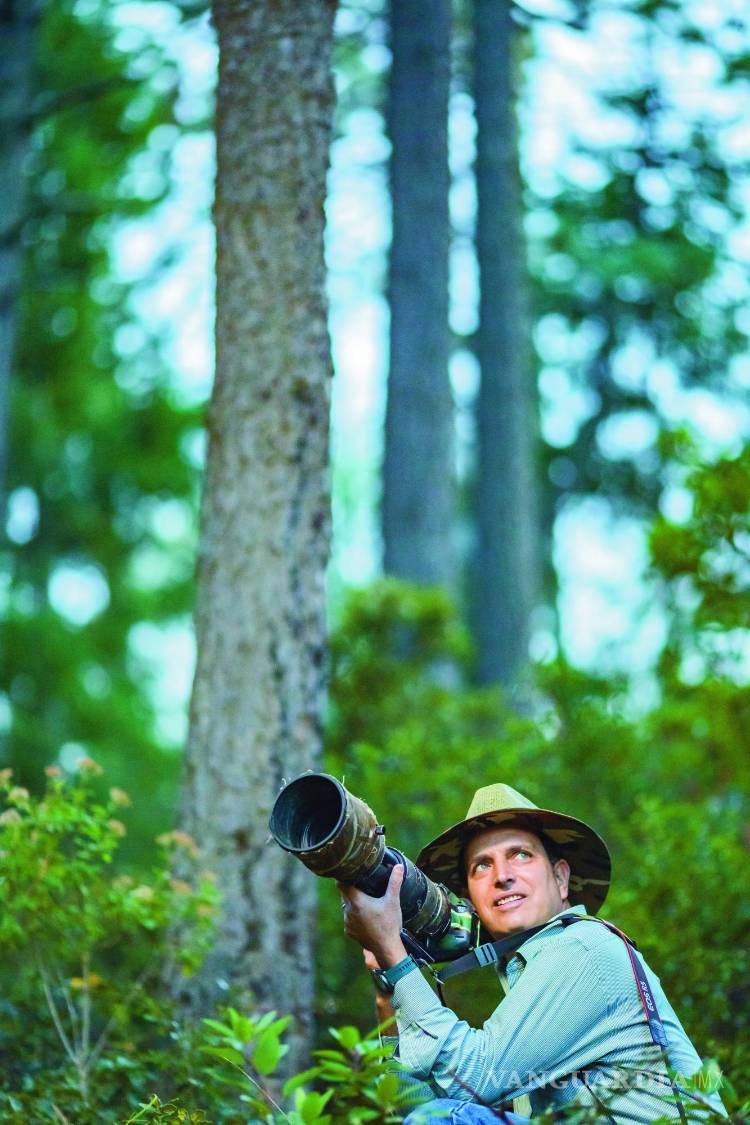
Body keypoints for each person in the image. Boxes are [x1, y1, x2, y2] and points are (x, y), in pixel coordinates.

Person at [339, 783, 725, 1124]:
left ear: (561, 877)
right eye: (481, 866)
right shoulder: (529, 987)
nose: (502, 875)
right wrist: (387, 989)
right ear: (471, 899)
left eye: (520, 855)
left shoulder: (585, 949)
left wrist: (395, 953)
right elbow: (406, 1105)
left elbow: (470, 1082)